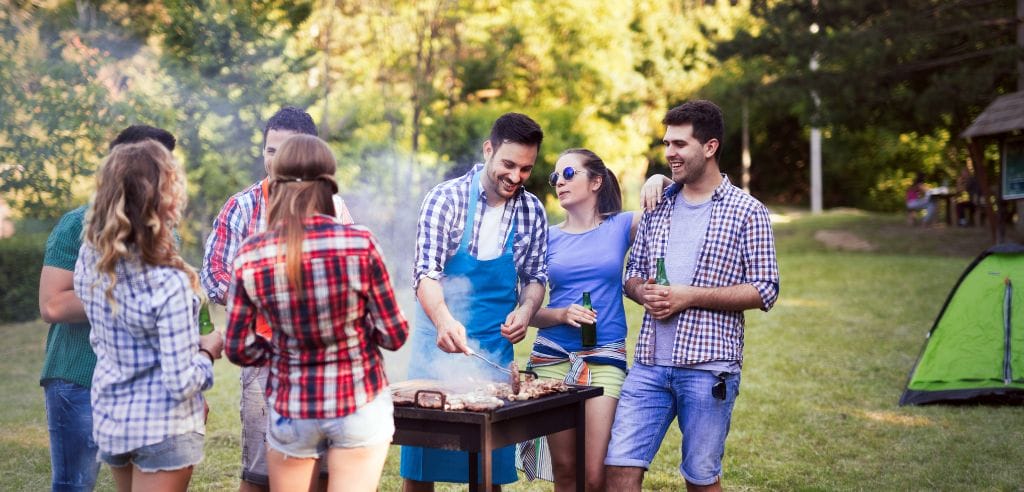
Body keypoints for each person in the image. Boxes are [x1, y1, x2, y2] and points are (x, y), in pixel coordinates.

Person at [605, 100, 780, 492]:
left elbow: (765, 289)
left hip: (708, 368)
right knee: (617, 469)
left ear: (710, 147)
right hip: (649, 364)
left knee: (700, 479)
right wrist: (643, 292)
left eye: (680, 144)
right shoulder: (658, 205)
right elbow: (631, 275)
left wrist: (689, 296)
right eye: (667, 143)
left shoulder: (748, 212)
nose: (670, 153)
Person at [224, 134, 408, 492]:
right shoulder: (360, 242)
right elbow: (395, 335)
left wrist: (275, 351)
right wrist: (363, 332)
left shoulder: (253, 253)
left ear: (275, 183)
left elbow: (236, 346)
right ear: (329, 185)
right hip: (358, 402)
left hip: (291, 405)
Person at [201, 106, 351, 491]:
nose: (276, 162)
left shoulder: (334, 208)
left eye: (285, 152)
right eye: (270, 151)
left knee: (320, 470)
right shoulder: (242, 207)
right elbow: (214, 273)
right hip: (264, 357)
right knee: (261, 473)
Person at [401, 112, 548, 491]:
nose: (516, 177)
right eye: (509, 164)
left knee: (487, 470)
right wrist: (444, 320)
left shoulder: (532, 210)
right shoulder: (445, 199)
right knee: (420, 468)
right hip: (438, 342)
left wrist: (526, 309)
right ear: (489, 150)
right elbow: (425, 274)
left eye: (526, 169)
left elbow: (535, 278)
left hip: (493, 355)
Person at [74, 139, 225, 491]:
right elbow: (181, 381)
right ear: (163, 198)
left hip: (114, 419)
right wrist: (208, 350)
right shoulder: (169, 283)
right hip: (164, 426)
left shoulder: (91, 259)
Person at [38, 124, 176, 492]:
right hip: (79, 378)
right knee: (75, 486)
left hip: (140, 385)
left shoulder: (165, 231)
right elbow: (52, 304)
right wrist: (131, 295)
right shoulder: (77, 226)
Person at [523, 148, 643, 491]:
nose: (559, 181)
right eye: (555, 177)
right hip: (552, 358)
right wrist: (561, 314)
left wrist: (657, 178)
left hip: (603, 355)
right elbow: (528, 311)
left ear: (596, 181)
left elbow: (668, 208)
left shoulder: (621, 225)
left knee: (594, 475)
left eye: (569, 174)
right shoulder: (546, 237)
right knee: (565, 469)